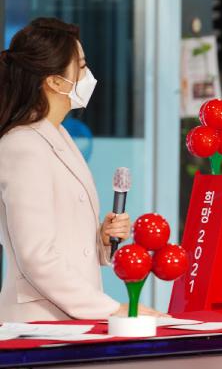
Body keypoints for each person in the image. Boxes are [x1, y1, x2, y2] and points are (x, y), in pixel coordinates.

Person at [0, 18, 164, 322]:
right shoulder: (23, 146)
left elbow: (60, 237)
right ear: (54, 82)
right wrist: (111, 309)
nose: (89, 75)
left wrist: (101, 239)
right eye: (82, 66)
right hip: (39, 323)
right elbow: (36, 255)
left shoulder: (57, 135)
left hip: (66, 319)